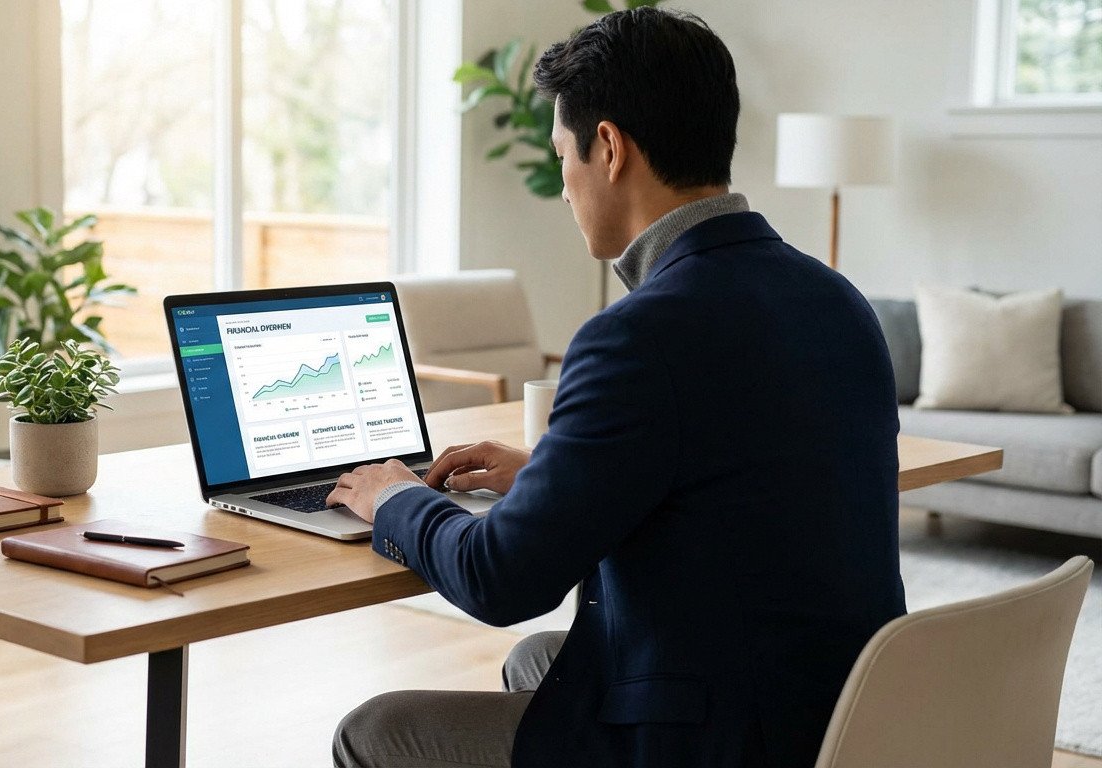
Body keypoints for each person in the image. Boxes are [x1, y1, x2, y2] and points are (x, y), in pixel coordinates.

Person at [326, 7, 905, 767]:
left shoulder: (639, 334)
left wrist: (395, 498)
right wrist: (549, 477)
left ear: (608, 148)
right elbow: (742, 485)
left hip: (726, 741)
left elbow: (500, 580)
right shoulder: (836, 299)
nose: (563, 188)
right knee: (543, 661)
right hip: (843, 710)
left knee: (374, 731)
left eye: (563, 154)